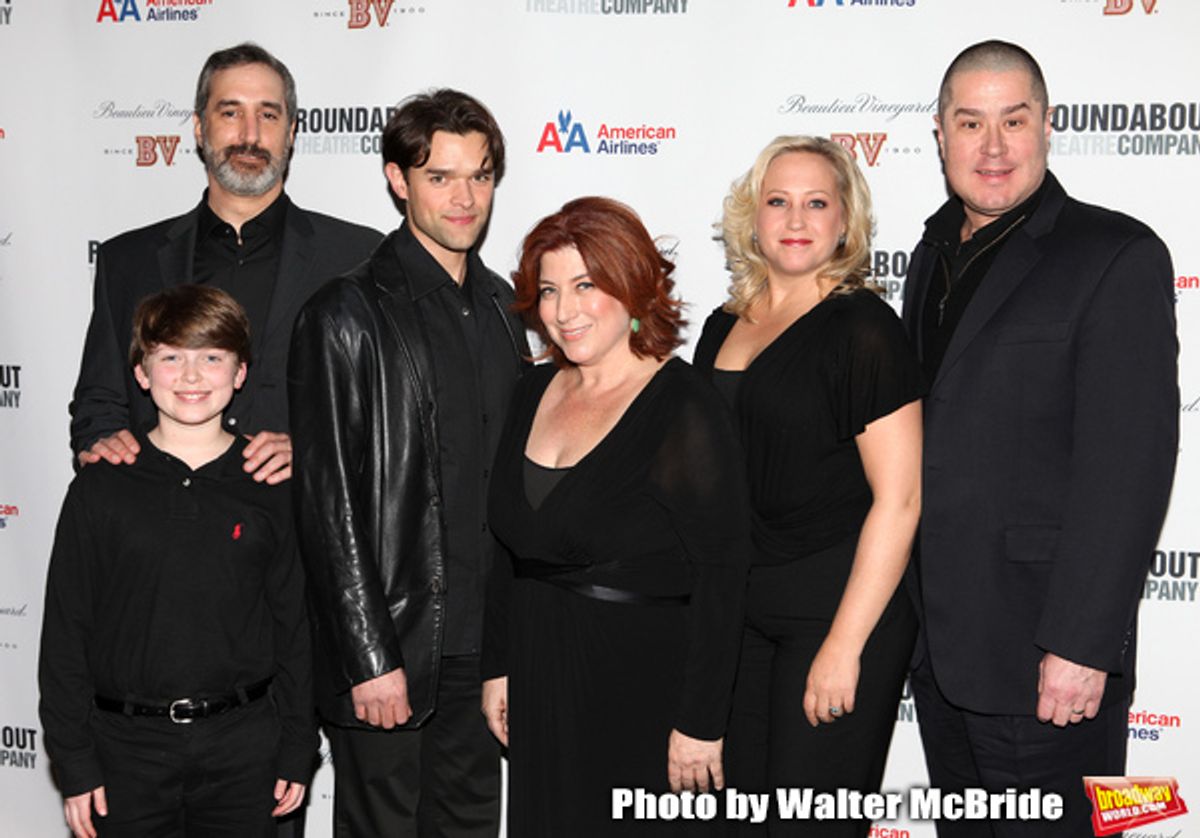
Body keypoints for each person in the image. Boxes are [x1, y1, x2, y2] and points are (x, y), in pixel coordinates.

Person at [902, 40, 1178, 837]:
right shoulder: (930, 255)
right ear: (940, 134)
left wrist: (1082, 645)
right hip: (942, 653)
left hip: (1044, 658)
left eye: (1013, 120)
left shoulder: (1114, 255)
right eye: (971, 122)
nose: (992, 147)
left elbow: (1129, 467)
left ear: (1048, 127)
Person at [289, 89, 527, 837]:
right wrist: (369, 655)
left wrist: (511, 648)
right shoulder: (345, 313)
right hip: (392, 647)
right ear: (398, 179)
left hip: (483, 654)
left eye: (480, 176)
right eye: (440, 177)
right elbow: (327, 505)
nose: (464, 198)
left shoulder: (503, 308)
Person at [481, 195, 750, 835]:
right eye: (548, 291)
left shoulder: (683, 404)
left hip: (643, 691)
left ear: (631, 286)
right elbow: (505, 551)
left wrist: (701, 723)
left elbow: (724, 574)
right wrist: (498, 665)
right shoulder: (531, 390)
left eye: (585, 285)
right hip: (542, 680)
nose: (563, 311)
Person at [693, 136, 923, 836]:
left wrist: (844, 645)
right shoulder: (721, 326)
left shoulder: (864, 329)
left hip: (835, 611)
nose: (796, 218)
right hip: (740, 616)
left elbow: (900, 499)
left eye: (817, 202)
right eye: (778, 201)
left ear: (846, 221)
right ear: (752, 217)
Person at [39, 285, 313, 838]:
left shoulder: (272, 483)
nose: (191, 377)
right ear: (141, 373)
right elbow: (66, 634)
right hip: (125, 753)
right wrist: (75, 761)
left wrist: (296, 746)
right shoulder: (102, 486)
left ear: (240, 374)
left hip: (244, 749)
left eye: (212, 357)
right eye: (171, 357)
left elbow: (294, 627)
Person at [71, 42, 381, 484]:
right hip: (166, 524)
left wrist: (316, 452)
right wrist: (102, 441)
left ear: (291, 132)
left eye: (269, 115)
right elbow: (99, 401)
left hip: (299, 533)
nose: (250, 135)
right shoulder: (128, 260)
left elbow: (389, 406)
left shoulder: (358, 257)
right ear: (200, 129)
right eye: (230, 113)